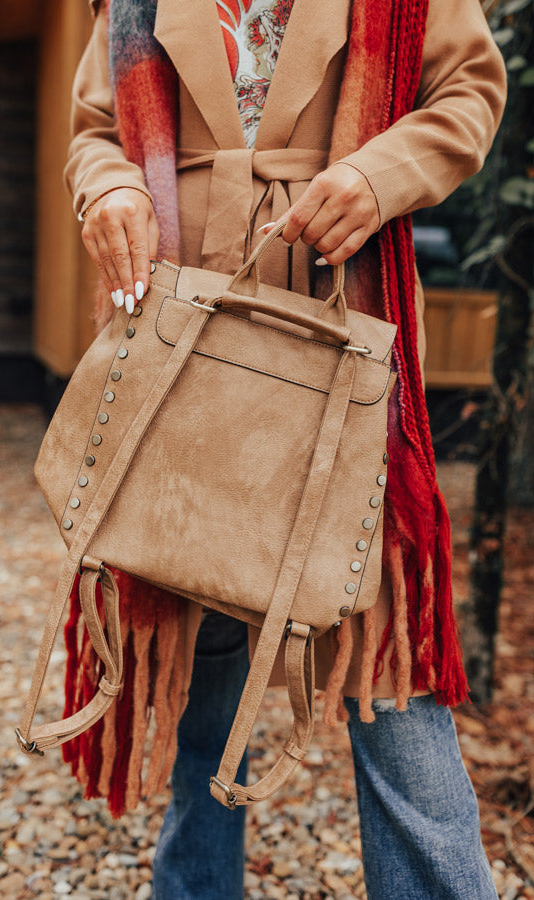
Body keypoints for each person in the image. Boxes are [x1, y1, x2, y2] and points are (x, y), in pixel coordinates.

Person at [62, 1, 507, 897]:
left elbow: (469, 94)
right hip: (182, 330)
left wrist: (382, 175)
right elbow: (97, 129)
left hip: (348, 334)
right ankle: (193, 883)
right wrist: (107, 185)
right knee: (204, 628)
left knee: (387, 655)